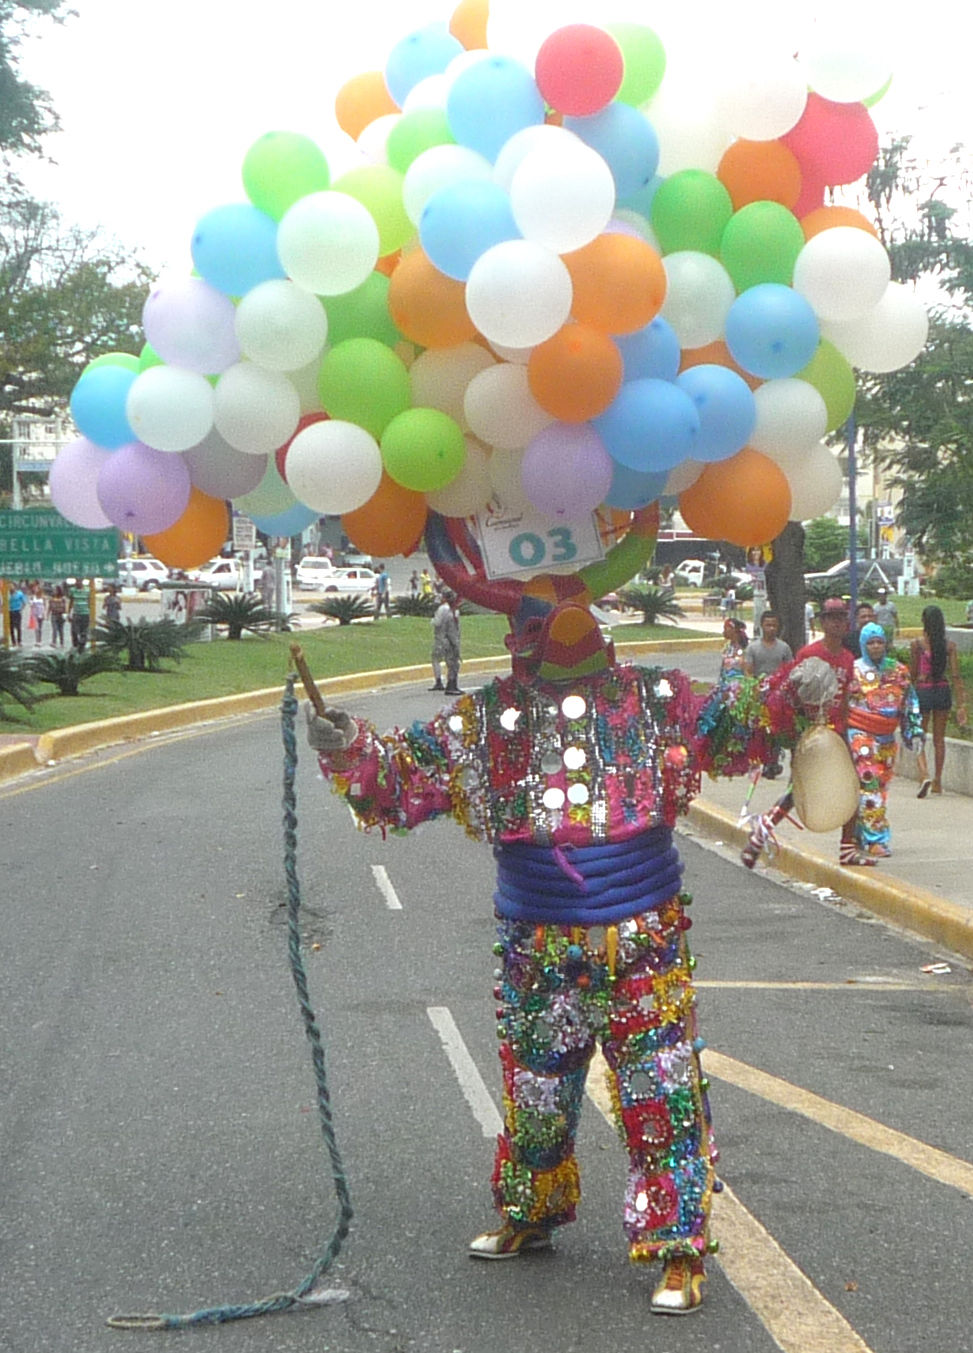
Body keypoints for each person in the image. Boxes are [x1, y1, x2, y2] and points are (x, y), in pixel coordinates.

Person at [304, 546, 825, 1317]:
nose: (560, 632)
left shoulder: (652, 697)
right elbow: (404, 774)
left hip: (641, 935)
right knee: (537, 1086)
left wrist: (791, 698)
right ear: (518, 636)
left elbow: (729, 729)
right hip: (534, 941)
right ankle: (532, 1208)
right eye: (541, 619)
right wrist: (347, 745)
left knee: (659, 1085)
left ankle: (677, 1243)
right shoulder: (486, 717)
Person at [742, 596, 869, 868]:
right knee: (799, 790)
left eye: (841, 618)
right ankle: (761, 831)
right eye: (832, 618)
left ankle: (847, 846)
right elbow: (788, 695)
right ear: (823, 622)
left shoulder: (848, 659)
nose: (838, 623)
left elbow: (845, 697)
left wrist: (848, 728)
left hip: (838, 733)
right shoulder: (809, 655)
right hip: (811, 734)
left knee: (852, 784)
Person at [846, 624, 923, 856]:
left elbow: (910, 702)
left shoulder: (898, 671)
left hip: (888, 737)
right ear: (863, 644)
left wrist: (915, 731)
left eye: (879, 641)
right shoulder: (853, 670)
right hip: (861, 734)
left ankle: (860, 831)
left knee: (881, 786)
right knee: (869, 781)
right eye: (871, 642)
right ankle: (876, 839)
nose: (876, 646)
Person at [910, 605, 968, 796]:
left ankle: (924, 773)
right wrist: (961, 704)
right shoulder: (949, 646)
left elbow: (913, 673)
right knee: (939, 740)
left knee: (919, 734)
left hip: (923, 692)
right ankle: (938, 781)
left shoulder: (917, 645)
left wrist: (908, 694)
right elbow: (956, 676)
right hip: (942, 691)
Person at [743, 611, 793, 780]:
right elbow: (748, 671)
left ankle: (773, 762)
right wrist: (755, 688)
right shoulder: (753, 648)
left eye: (774, 625)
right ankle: (759, 761)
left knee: (775, 731)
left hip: (778, 697)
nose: (771, 628)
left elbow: (789, 670)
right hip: (759, 696)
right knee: (759, 731)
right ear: (761, 626)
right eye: (767, 625)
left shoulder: (784, 648)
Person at [429, 589, 461, 694]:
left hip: (445, 639)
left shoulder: (447, 610)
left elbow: (438, 623)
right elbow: (453, 629)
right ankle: (451, 684)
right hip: (449, 640)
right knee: (452, 663)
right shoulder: (451, 611)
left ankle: (447, 683)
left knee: (446, 661)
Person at [717, 616, 748, 686]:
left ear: (733, 630)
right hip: (725, 685)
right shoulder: (727, 647)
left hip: (739, 686)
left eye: (725, 629)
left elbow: (747, 670)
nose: (723, 632)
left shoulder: (745, 649)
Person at [68, 579, 91, 651]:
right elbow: (71, 601)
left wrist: (90, 612)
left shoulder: (87, 590)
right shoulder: (72, 590)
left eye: (79, 581)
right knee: (74, 631)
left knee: (84, 631)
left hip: (85, 613)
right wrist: (69, 613)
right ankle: (75, 645)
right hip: (76, 613)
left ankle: (82, 647)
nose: (78, 583)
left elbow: (89, 601)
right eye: (77, 581)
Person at [7, 581, 27, 646]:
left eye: (11, 586)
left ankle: (19, 641)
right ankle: (13, 642)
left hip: (17, 611)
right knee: (11, 627)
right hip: (10, 611)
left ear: (15, 586)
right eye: (9, 586)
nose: (10, 587)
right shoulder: (8, 594)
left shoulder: (19, 593)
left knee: (18, 627)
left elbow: (24, 602)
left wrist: (21, 609)